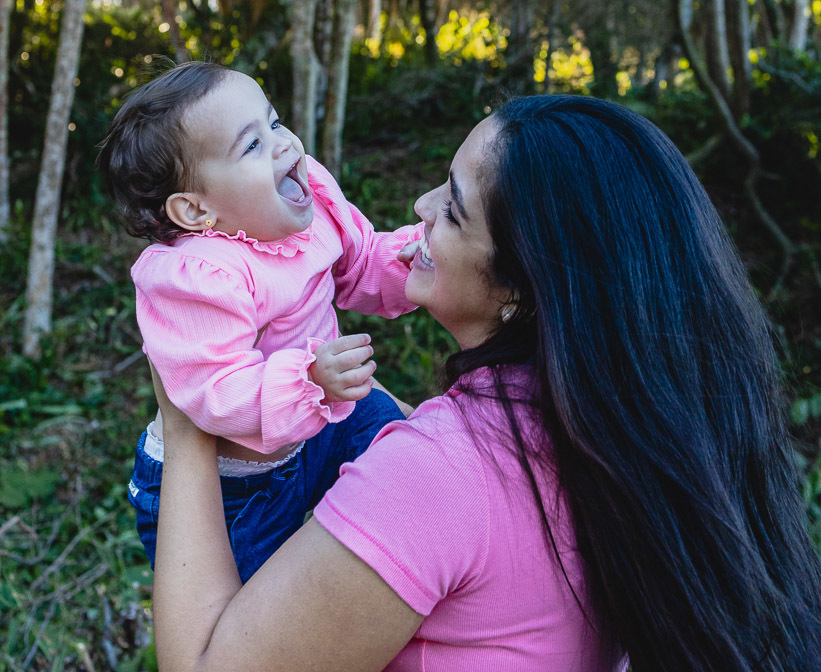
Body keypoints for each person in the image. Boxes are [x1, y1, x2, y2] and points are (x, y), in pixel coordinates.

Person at [148, 94, 821, 672]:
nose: (420, 205)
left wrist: (183, 425)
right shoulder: (631, 428)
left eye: (453, 209)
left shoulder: (438, 472)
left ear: (520, 288)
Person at [98, 60, 422, 581]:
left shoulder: (309, 194)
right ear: (195, 210)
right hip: (234, 486)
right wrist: (310, 380)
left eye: (273, 122)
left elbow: (359, 264)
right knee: (250, 611)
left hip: (323, 425)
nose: (284, 144)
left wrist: (413, 258)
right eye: (251, 145)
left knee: (417, 466)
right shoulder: (198, 275)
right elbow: (215, 392)